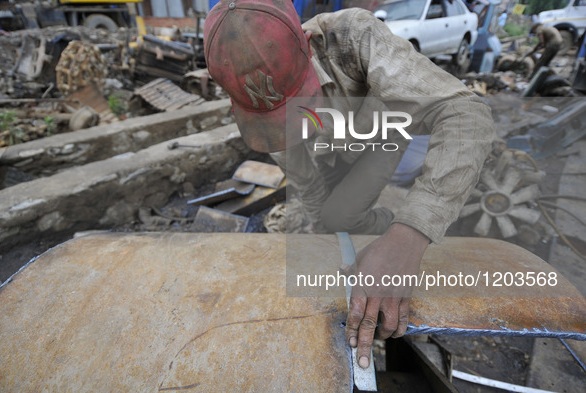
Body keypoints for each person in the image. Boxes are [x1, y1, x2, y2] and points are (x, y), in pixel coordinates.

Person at [204, 0, 495, 370]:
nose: (296, 121)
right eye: (280, 119)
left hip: (382, 135)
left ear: (308, 44)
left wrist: (407, 236)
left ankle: (394, 231)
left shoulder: (353, 36)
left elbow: (466, 112)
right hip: (330, 152)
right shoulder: (256, 98)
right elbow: (306, 182)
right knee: (329, 223)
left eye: (301, 102)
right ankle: (372, 239)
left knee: (346, 215)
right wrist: (319, 232)